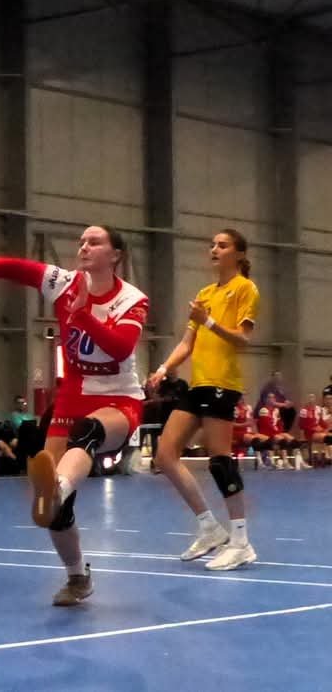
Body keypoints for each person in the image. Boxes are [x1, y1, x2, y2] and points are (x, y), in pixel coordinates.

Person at [0, 225, 148, 605]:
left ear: (115, 255)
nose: (84, 246)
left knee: (88, 433)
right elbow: (10, 267)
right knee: (56, 513)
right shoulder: (62, 283)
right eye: (81, 241)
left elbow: (120, 348)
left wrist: (84, 315)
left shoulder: (132, 299)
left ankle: (56, 487)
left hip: (119, 398)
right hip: (73, 395)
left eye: (94, 242)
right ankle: (77, 576)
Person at [150, 229, 260, 571]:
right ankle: (209, 527)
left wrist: (208, 321)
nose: (214, 249)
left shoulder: (245, 288)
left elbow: (242, 339)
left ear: (239, 254)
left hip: (222, 383)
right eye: (212, 244)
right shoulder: (205, 293)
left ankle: (241, 542)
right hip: (197, 384)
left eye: (222, 245)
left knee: (220, 462)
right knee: (164, 455)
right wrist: (163, 368)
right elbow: (188, 343)